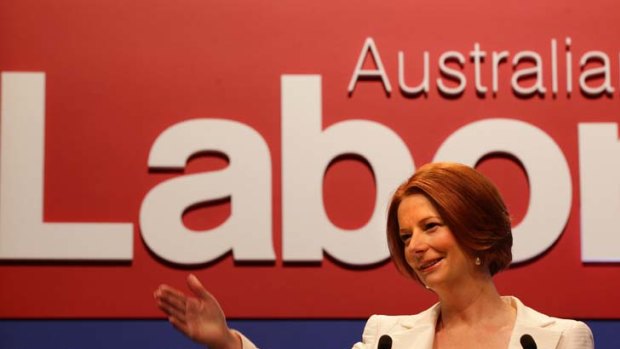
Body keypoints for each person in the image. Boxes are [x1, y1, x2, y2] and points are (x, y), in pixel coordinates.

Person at [154, 162, 594, 349]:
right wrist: (228, 343)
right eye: (405, 236)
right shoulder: (386, 338)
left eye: (430, 227)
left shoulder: (560, 339)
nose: (415, 247)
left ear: (475, 230)